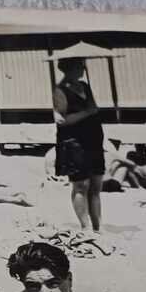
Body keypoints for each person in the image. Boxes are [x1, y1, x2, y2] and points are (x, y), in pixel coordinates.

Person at [51, 58, 106, 232]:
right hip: (74, 142)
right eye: (79, 66)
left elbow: (93, 108)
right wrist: (86, 113)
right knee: (81, 185)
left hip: (93, 139)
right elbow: (62, 121)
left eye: (83, 66)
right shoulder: (59, 90)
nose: (82, 69)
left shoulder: (85, 87)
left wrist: (92, 110)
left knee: (96, 184)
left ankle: (98, 226)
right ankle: (85, 226)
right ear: (69, 69)